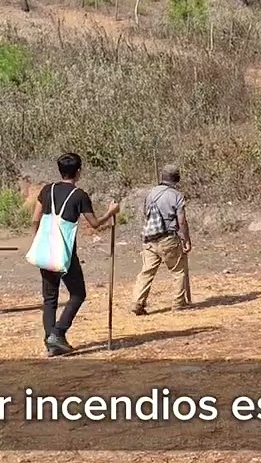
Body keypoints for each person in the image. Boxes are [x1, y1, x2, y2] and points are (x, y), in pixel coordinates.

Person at [30, 153, 119, 357]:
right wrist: (111, 212)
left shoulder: (46, 190)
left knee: (49, 298)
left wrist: (38, 241)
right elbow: (95, 223)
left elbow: (35, 219)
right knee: (78, 294)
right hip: (65, 253)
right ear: (78, 171)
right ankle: (58, 333)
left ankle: (51, 341)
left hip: (45, 251)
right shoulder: (79, 195)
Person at [132, 165, 192, 314]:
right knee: (178, 271)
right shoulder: (176, 195)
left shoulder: (151, 193)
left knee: (147, 272)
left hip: (150, 239)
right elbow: (182, 221)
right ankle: (178, 303)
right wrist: (186, 239)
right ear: (177, 178)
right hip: (168, 239)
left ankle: (137, 303)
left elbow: (146, 213)